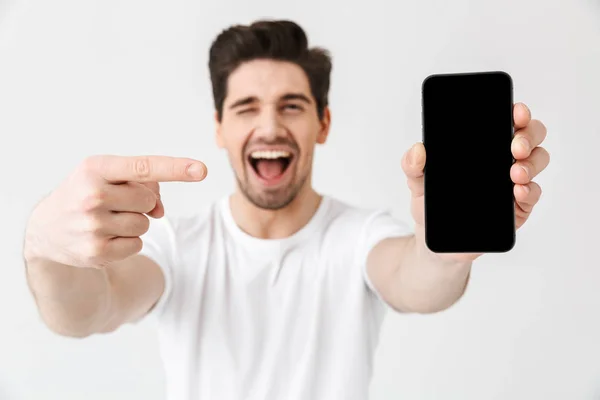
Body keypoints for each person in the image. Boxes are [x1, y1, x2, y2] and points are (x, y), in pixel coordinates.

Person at [22, 19, 550, 400]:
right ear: (220, 128)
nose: (270, 127)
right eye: (246, 107)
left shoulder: (359, 236)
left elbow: (415, 278)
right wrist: (44, 248)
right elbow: (86, 312)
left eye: (291, 106)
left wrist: (447, 249)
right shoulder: (177, 246)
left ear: (322, 124)